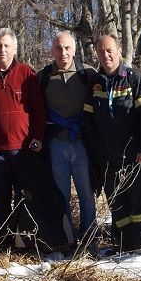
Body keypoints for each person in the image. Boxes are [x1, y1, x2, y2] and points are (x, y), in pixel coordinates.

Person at [84, 33, 141, 252]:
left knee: (140, 204)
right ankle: (123, 247)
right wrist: (95, 153)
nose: (105, 55)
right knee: (118, 204)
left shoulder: (134, 79)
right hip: (107, 158)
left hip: (134, 155)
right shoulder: (94, 83)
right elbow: (89, 121)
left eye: (109, 50)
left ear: (119, 51)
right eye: (101, 52)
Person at [0, 28, 46, 246]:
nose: (3, 50)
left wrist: (38, 136)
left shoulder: (27, 73)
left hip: (23, 148)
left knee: (24, 196)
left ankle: (24, 241)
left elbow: (38, 109)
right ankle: (2, 241)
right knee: (0, 198)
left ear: (14, 48)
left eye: (7, 45)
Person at [37, 31, 98, 245]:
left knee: (87, 194)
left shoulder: (87, 73)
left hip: (82, 143)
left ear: (74, 49)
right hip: (56, 144)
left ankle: (90, 239)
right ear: (52, 50)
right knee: (61, 195)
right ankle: (66, 238)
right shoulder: (42, 76)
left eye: (67, 48)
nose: (63, 52)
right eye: (58, 48)